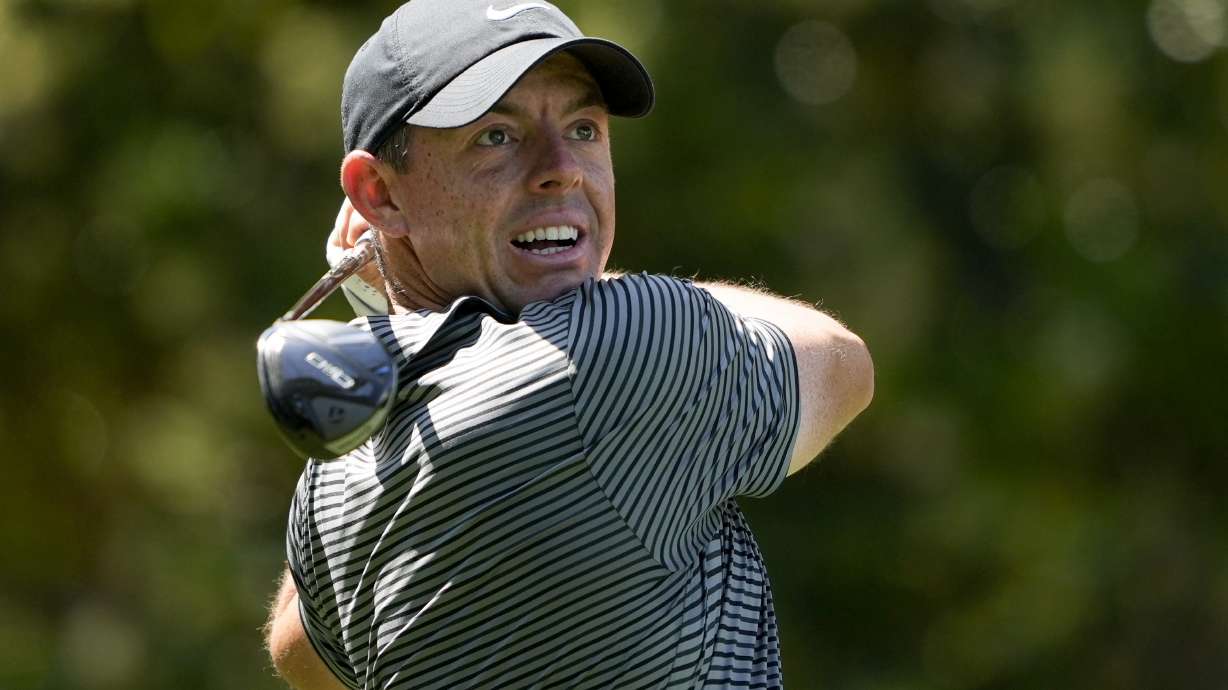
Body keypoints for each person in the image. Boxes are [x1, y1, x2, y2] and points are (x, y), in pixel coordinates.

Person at [263, 1, 874, 688]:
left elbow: (297, 645)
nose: (562, 169)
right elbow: (841, 361)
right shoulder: (624, 344)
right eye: (496, 136)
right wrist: (591, 286)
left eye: (584, 128)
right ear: (378, 193)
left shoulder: (337, 475)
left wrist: (390, 326)